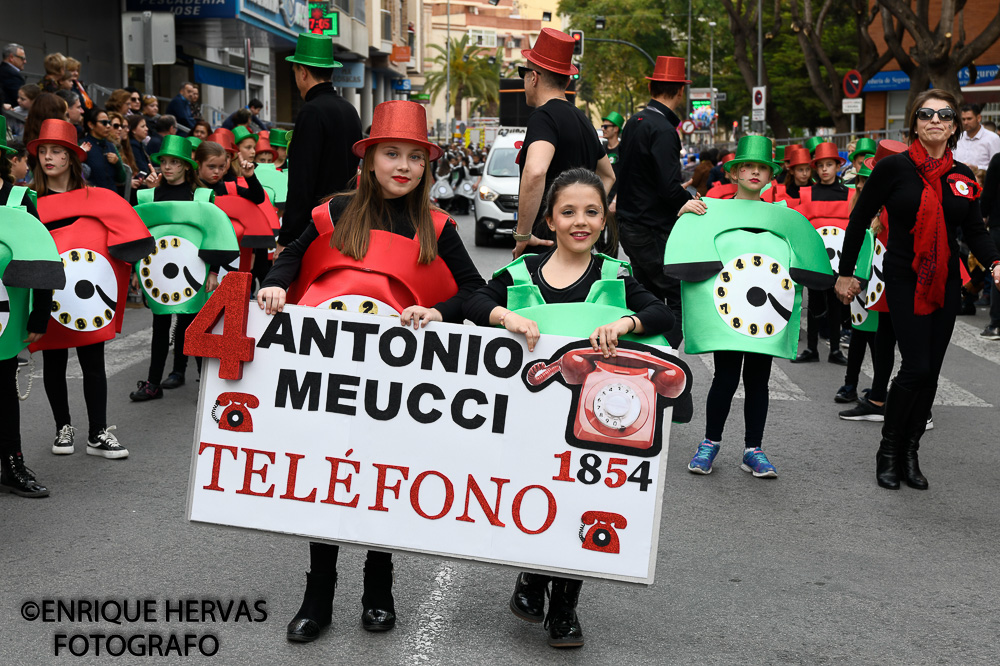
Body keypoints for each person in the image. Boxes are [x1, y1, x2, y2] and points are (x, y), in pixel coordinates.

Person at [256, 100, 484, 644]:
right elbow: (292, 257)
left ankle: (378, 590)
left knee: (385, 482)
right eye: (391, 154)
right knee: (326, 482)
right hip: (331, 380)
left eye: (414, 156)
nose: (402, 166)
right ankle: (318, 597)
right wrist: (274, 283)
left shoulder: (438, 226)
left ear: (426, 166)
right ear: (370, 159)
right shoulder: (334, 212)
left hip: (399, 385)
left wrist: (439, 312)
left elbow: (476, 292)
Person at [464, 167, 674, 648]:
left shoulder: (614, 275)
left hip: (593, 422)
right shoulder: (519, 273)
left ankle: (564, 608)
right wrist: (505, 315)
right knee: (538, 496)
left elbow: (661, 313)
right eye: (569, 212)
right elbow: (470, 303)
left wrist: (626, 323)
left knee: (582, 500)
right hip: (528, 418)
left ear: (604, 220)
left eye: (592, 212)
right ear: (551, 220)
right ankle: (533, 575)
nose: (581, 221)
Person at [836, 90, 1000, 490]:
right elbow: (859, 221)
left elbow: (975, 230)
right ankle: (888, 451)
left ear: (954, 126)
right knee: (916, 367)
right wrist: (845, 273)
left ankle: (911, 452)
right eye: (926, 114)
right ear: (915, 122)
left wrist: (995, 262)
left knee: (932, 373)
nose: (936, 120)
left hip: (944, 279)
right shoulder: (893, 168)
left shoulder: (961, 175)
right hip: (904, 276)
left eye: (945, 115)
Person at [665, 135, 834, 479]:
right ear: (735, 172)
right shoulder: (711, 207)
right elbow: (685, 243)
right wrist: (685, 212)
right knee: (726, 377)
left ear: (770, 175)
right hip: (729, 310)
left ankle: (753, 449)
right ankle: (710, 443)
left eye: (762, 167)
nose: (755, 172)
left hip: (765, 312)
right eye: (748, 167)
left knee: (759, 379)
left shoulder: (785, 214)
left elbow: (805, 253)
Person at [28, 118, 154, 459]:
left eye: (57, 151)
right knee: (53, 361)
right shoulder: (28, 202)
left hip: (87, 295)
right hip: (49, 293)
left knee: (93, 361)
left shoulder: (98, 197)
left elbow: (130, 239)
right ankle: (63, 428)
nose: (49, 157)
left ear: (71, 157)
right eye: (43, 151)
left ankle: (98, 432)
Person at [129, 135, 236, 400]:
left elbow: (214, 233)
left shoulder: (201, 195)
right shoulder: (148, 195)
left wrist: (213, 271)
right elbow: (138, 234)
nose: (167, 167)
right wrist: (135, 271)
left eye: (174, 162)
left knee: (194, 327)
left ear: (186, 166)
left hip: (195, 271)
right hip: (157, 271)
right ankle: (153, 383)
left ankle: (206, 383)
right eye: (164, 161)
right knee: (160, 327)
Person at [0, 122, 65, 497]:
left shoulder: (20, 201)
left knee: (2, 390)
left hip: (6, 319)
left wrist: (40, 313)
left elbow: (42, 258)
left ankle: (11, 465)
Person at [512, 28, 613, 259]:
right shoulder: (583, 120)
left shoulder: (543, 117)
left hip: (546, 242)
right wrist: (587, 215)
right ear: (567, 80)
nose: (524, 80)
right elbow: (608, 176)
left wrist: (523, 235)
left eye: (523, 73)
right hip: (578, 245)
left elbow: (536, 171)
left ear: (534, 77)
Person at [613, 55, 692, 347]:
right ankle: (662, 357)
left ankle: (639, 357)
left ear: (651, 87)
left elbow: (633, 175)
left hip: (631, 225)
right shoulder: (663, 129)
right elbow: (669, 188)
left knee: (646, 298)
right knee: (680, 298)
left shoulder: (634, 122)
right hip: (650, 229)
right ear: (680, 91)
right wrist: (690, 200)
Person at [279, 34, 362, 254]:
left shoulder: (311, 112)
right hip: (345, 224)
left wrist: (286, 239)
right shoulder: (350, 110)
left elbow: (301, 183)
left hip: (314, 230)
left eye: (295, 72)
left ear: (303, 72)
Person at [790, 142, 850, 365]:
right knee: (815, 303)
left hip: (840, 259)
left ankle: (835, 349)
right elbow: (801, 226)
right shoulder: (807, 193)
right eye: (821, 165)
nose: (825, 169)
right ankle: (812, 349)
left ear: (837, 166)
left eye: (829, 165)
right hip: (815, 257)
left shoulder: (849, 194)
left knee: (836, 305)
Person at [80, 107, 126, 192]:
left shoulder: (111, 146)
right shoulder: (82, 146)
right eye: (104, 123)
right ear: (91, 125)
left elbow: (122, 179)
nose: (108, 126)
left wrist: (117, 164)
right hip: (91, 198)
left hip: (112, 197)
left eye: (109, 123)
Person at [954, 103, 1000, 171]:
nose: (965, 122)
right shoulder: (958, 137)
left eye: (969, 119)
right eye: (963, 119)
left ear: (978, 118)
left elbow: (997, 167)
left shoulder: (992, 138)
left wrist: (977, 168)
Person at [601, 111, 624, 203]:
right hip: (602, 198)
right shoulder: (602, 149)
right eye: (602, 126)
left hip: (615, 202)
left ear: (616, 129)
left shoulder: (622, 150)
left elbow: (624, 178)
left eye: (606, 127)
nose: (603, 129)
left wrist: (615, 200)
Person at [1, 43, 27, 108]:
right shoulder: (11, 74)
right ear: (11, 57)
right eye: (22, 58)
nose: (25, 61)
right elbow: (19, 100)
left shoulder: (3, 70)